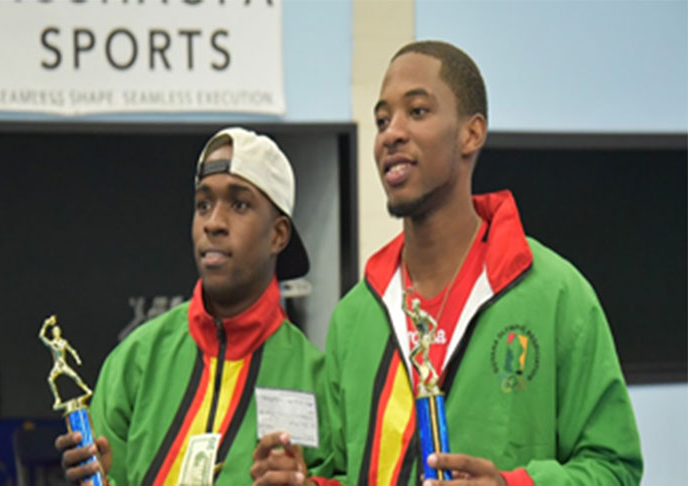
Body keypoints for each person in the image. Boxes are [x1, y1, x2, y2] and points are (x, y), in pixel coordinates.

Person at [252, 41, 643, 486]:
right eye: (382, 120)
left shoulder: (556, 295)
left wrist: (512, 485)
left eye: (417, 112)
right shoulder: (355, 316)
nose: (391, 133)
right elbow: (344, 472)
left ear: (470, 134)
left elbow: (616, 468)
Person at [55, 127, 331, 486]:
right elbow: (107, 476)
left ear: (278, 235)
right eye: (203, 204)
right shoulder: (137, 360)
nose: (213, 223)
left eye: (239, 204)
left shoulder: (315, 379)